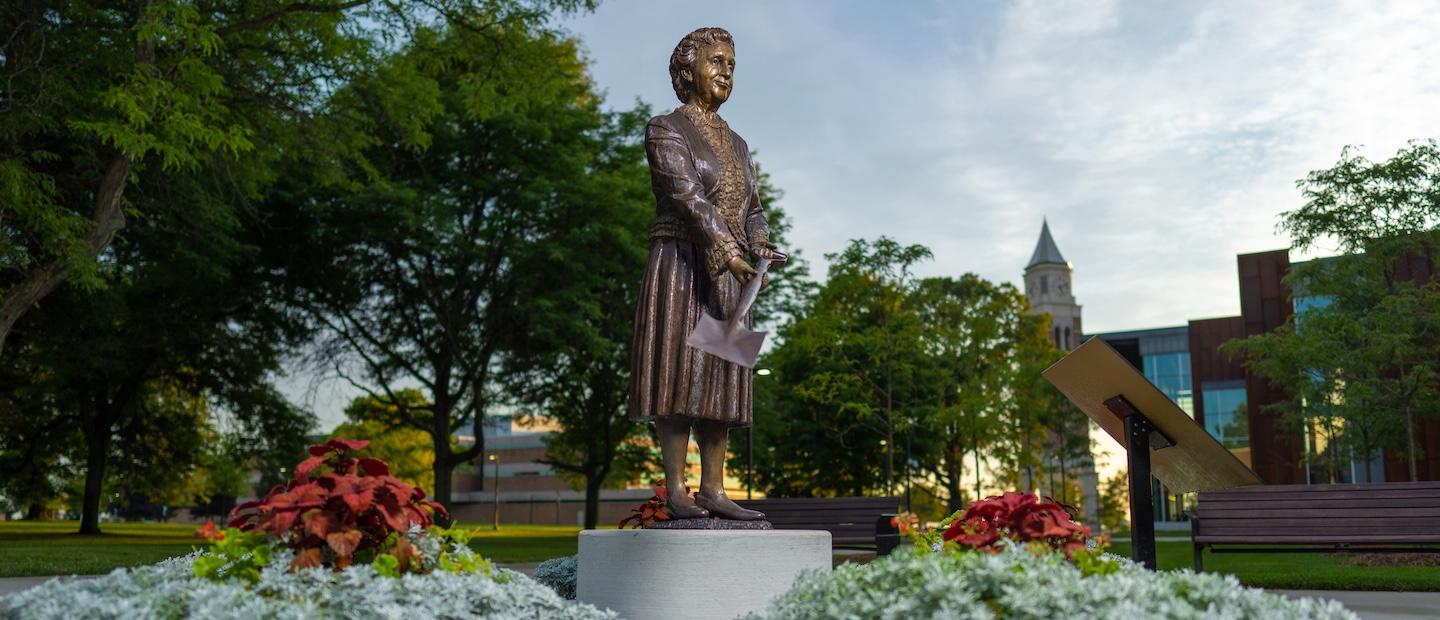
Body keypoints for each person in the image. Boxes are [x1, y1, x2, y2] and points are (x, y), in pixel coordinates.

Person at [628, 27, 783, 521]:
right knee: (677, 372)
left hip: (734, 274)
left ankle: (713, 489)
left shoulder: (738, 142)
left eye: (732, 66)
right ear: (686, 70)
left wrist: (758, 245)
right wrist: (728, 250)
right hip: (681, 264)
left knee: (724, 376)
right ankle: (676, 489)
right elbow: (688, 198)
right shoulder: (664, 128)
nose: (726, 72)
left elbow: (753, 208)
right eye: (716, 62)